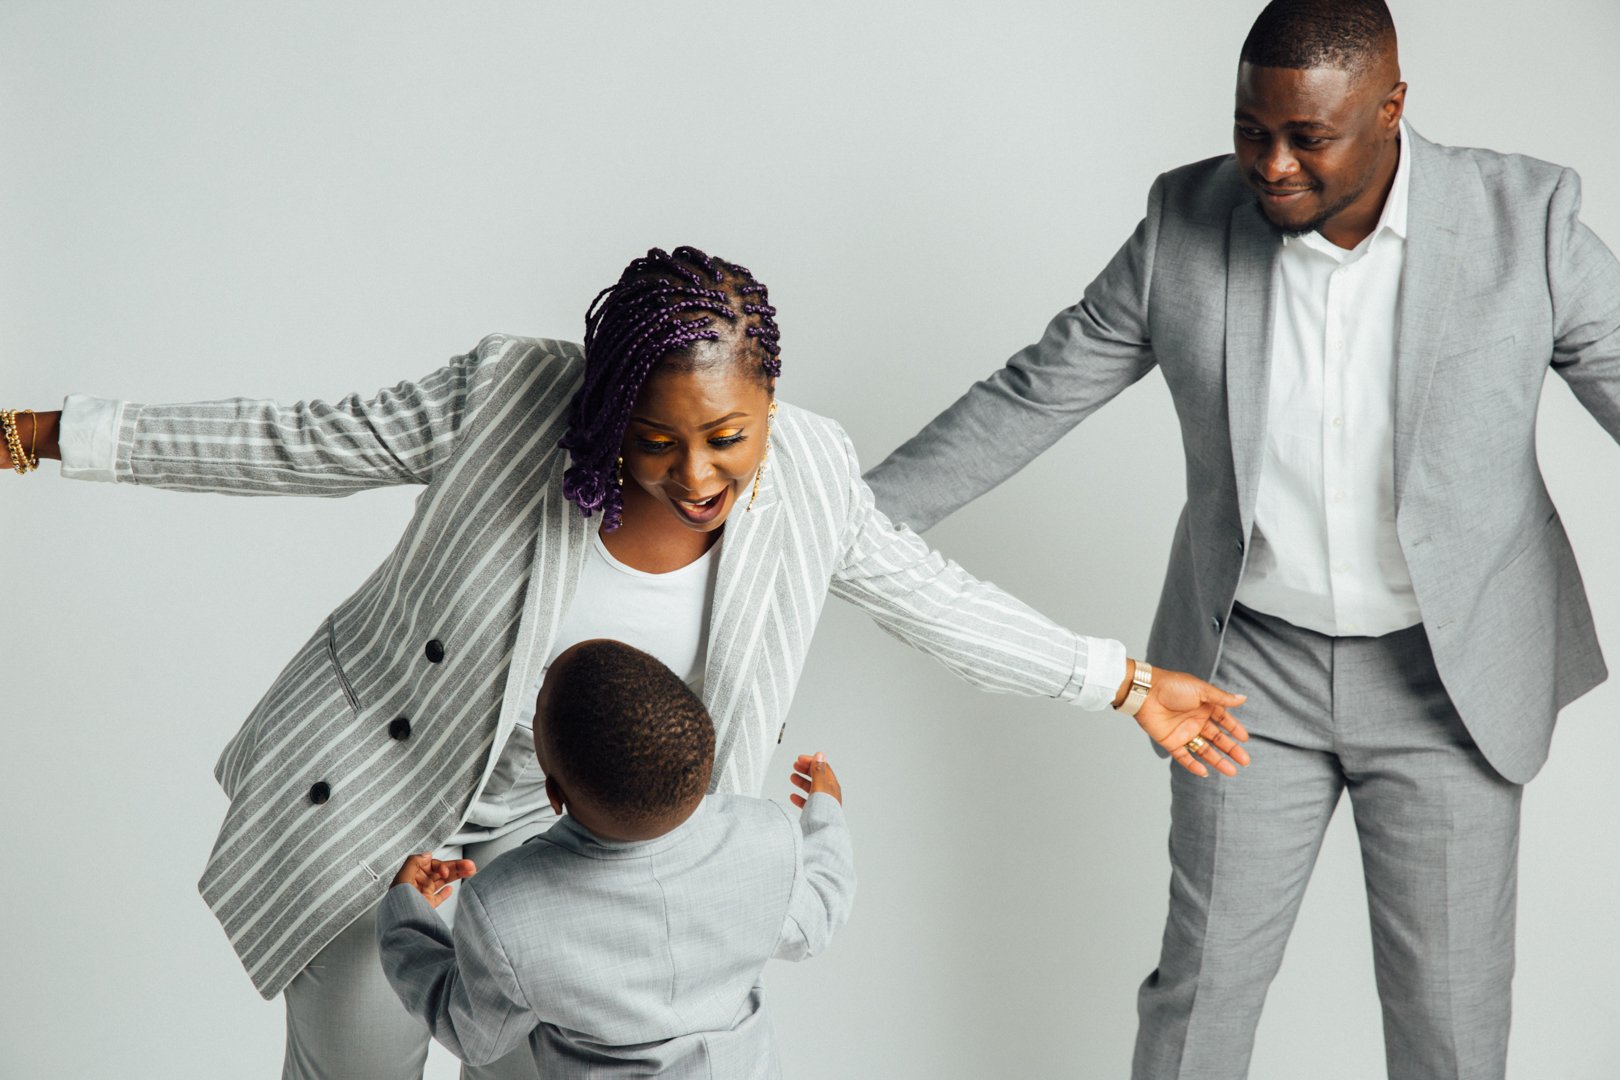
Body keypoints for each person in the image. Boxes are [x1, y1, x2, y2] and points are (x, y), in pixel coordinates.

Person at [0, 244, 1248, 1079]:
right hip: (389, 814)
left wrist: (1125, 683)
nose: (698, 474)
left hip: (594, 872)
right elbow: (296, 442)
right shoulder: (505, 396)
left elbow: (930, 597)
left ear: (770, 405)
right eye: (655, 437)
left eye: (728, 436)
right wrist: (50, 433)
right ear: (602, 407)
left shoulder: (807, 472)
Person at [863, 2, 1620, 1077]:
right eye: (1250, 129)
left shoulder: (1526, 220)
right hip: (1245, 676)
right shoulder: (1187, 220)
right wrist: (843, 524)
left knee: (1452, 1028)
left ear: (1392, 109)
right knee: (1199, 996)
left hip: (1448, 685)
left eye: (1307, 137)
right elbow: (1030, 395)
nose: (1270, 164)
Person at [377, 637, 854, 1078]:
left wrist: (406, 916)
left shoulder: (505, 907)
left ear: (553, 794)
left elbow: (473, 1035)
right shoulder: (767, 835)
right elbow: (816, 920)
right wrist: (825, 809)